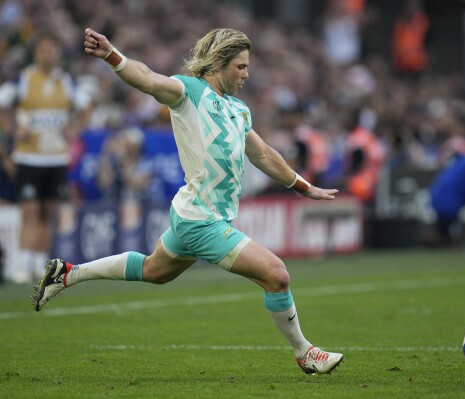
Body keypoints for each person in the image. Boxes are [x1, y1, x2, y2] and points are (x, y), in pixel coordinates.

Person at [33, 27, 344, 375]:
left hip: (196, 213)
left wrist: (303, 186)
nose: (246, 73)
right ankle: (305, 353)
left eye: (247, 66)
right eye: (240, 66)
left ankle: (67, 274)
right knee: (277, 275)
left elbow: (265, 155)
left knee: (153, 271)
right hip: (200, 220)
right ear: (219, 64)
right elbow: (149, 79)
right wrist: (111, 54)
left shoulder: (238, 110)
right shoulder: (190, 92)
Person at [0, 31, 94, 283]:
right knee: (29, 210)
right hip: (29, 157)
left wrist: (73, 130)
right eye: (45, 49)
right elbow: (3, 104)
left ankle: (39, 263)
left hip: (56, 158)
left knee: (47, 212)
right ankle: (22, 263)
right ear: (36, 52)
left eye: (53, 49)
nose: (49, 54)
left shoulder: (66, 82)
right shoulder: (24, 80)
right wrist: (12, 129)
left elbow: (86, 106)